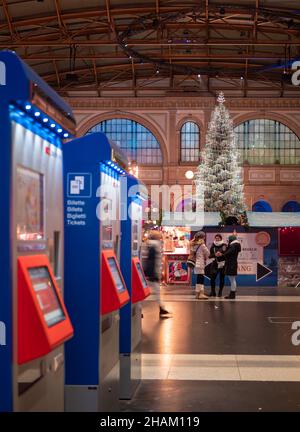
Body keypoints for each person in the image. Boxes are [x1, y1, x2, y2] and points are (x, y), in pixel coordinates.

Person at [143, 230, 172, 317]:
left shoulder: (148, 244)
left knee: (153, 292)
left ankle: (161, 308)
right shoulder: (155, 246)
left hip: (149, 272)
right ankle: (161, 308)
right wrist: (157, 273)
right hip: (152, 272)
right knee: (155, 292)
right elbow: (154, 261)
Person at [216, 234, 241, 299]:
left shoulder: (233, 246)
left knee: (232, 279)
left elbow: (228, 253)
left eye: (229, 240)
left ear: (231, 240)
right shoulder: (235, 245)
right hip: (232, 263)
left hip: (231, 264)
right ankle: (232, 294)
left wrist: (222, 254)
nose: (228, 241)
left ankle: (232, 294)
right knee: (232, 279)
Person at [190, 231, 210, 299]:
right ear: (202, 237)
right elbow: (208, 253)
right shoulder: (202, 245)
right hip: (200, 263)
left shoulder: (193, 244)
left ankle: (197, 294)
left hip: (195, 263)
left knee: (199, 278)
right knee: (201, 279)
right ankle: (201, 294)